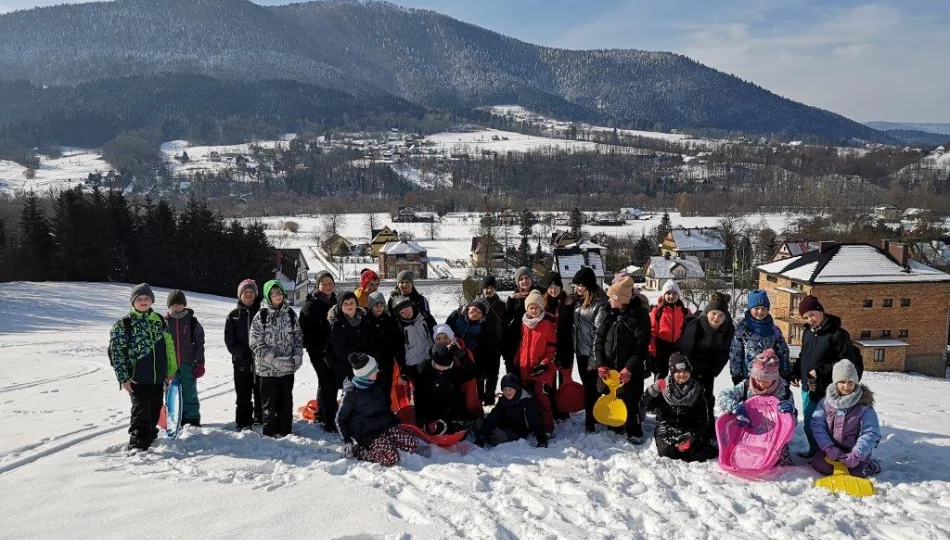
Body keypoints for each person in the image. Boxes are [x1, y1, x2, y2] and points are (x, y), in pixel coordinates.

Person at [109, 283, 177, 452]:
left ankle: (150, 436)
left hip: (158, 376)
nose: (143, 301)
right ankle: (138, 444)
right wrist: (123, 377)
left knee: (155, 408)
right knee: (141, 412)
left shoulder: (159, 320)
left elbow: (169, 346)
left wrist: (171, 370)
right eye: (139, 299)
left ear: (152, 301)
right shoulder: (124, 324)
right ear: (133, 302)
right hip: (137, 377)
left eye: (147, 298)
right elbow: (116, 353)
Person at [792, 295, 861, 458]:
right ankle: (815, 452)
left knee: (828, 424)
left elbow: (846, 361)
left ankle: (829, 454)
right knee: (810, 422)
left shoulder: (838, 334)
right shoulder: (808, 333)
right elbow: (803, 355)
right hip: (809, 385)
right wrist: (795, 372)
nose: (810, 319)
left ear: (820, 311)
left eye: (812, 314)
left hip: (828, 388)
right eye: (806, 317)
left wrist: (821, 370)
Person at [592, 276, 651, 443]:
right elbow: (599, 340)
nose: (609, 299)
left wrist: (629, 368)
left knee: (631, 400)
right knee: (611, 395)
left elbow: (641, 347)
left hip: (630, 369)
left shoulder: (639, 315)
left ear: (621, 299)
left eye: (612, 297)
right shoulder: (610, 313)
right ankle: (615, 424)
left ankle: (634, 431)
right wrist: (600, 363)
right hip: (610, 368)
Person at [337, 353, 419, 467]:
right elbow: (340, 420)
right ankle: (359, 451)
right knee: (391, 457)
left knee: (411, 443)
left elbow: (383, 409)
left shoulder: (375, 385)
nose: (378, 370)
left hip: (383, 427)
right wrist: (347, 440)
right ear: (366, 374)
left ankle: (385, 443)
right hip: (367, 434)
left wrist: (395, 422)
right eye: (375, 369)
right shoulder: (351, 394)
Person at [716, 349, 796, 465]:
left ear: (774, 378)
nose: (761, 385)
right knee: (741, 454)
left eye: (766, 381)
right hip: (747, 431)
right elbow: (723, 396)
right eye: (758, 380)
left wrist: (791, 411)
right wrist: (735, 407)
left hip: (773, 433)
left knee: (781, 464)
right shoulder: (745, 386)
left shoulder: (784, 392)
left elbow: (792, 422)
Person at [249, 280, 303, 437]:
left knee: (286, 400)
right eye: (274, 293)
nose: (278, 296)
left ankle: (286, 430)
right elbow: (255, 341)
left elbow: (298, 336)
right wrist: (272, 360)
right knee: (269, 402)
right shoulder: (261, 315)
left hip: (287, 367)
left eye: (280, 292)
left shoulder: (291, 314)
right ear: (268, 295)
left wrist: (298, 355)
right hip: (267, 370)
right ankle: (270, 432)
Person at [810, 360, 881, 478]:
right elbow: (817, 425)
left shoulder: (864, 405)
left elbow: (871, 432)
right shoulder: (826, 402)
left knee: (856, 472)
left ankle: (871, 465)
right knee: (819, 465)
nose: (846, 386)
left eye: (850, 382)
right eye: (842, 382)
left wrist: (858, 454)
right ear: (836, 382)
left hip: (855, 450)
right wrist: (828, 447)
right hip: (833, 449)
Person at [678, 295, 735, 442]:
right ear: (707, 312)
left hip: (709, 368)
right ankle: (685, 427)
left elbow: (725, 352)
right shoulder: (695, 325)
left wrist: (714, 370)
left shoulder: (728, 329)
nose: (716, 317)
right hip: (691, 367)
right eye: (714, 313)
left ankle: (708, 429)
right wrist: (686, 372)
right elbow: (685, 350)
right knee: (689, 397)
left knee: (707, 398)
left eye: (721, 315)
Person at [641, 354, 717, 462]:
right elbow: (646, 406)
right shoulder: (663, 387)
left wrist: (690, 437)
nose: (682, 374)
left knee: (698, 452)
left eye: (685, 371)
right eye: (678, 371)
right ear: (672, 372)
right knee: (667, 452)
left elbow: (702, 421)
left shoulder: (697, 391)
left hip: (687, 428)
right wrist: (651, 391)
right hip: (665, 426)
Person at [326, 291, 376, 432]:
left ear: (356, 304)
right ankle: (346, 424)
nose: (349, 306)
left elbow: (370, 341)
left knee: (365, 396)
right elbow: (339, 347)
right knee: (349, 397)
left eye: (351, 303)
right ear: (341, 306)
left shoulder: (364, 320)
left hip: (365, 365)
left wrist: (368, 357)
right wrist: (355, 358)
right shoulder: (337, 324)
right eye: (346, 303)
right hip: (346, 367)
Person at [405, 343, 478, 431]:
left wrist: (462, 356)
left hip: (453, 413)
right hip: (432, 414)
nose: (441, 370)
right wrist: (421, 420)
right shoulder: (425, 374)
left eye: (445, 368)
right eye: (439, 367)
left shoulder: (453, 373)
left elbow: (473, 372)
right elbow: (419, 399)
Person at [571, 267, 608, 433]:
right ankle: (592, 417)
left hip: (591, 355)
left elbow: (598, 334)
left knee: (592, 389)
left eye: (580, 285)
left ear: (588, 285)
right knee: (588, 387)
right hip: (580, 352)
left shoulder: (600, 305)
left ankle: (590, 422)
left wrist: (594, 359)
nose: (577, 288)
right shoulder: (579, 302)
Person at [516, 290, 558, 432]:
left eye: (536, 307)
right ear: (527, 308)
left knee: (542, 397)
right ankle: (532, 424)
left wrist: (544, 364)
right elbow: (521, 346)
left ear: (541, 308)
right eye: (531, 307)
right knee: (528, 398)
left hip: (542, 368)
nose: (534, 310)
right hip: (525, 367)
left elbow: (552, 349)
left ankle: (548, 426)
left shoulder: (547, 325)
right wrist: (517, 361)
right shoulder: (523, 324)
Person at [299, 271, 337, 425]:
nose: (327, 286)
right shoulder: (311, 305)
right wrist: (318, 350)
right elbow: (305, 333)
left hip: (332, 351)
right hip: (319, 352)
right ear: (318, 285)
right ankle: (329, 420)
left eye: (330, 283)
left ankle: (322, 414)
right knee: (328, 382)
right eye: (324, 283)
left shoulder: (335, 301)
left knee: (327, 382)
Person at [225, 279, 263, 430]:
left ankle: (261, 418)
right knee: (243, 395)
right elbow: (229, 339)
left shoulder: (263, 313)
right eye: (245, 292)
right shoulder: (233, 316)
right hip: (241, 363)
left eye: (251, 292)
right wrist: (242, 352)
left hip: (261, 362)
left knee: (261, 392)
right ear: (240, 295)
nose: (248, 295)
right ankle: (243, 421)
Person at [729, 289, 790, 384]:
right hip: (749, 378)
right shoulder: (742, 330)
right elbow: (735, 353)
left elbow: (783, 352)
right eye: (756, 308)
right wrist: (736, 374)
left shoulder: (774, 330)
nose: (760, 311)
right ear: (750, 308)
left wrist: (785, 372)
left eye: (764, 308)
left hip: (771, 379)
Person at [164, 289, 206, 427]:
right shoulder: (164, 323)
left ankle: (191, 419)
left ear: (184, 305)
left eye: (179, 304)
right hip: (170, 367)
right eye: (174, 305)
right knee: (171, 393)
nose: (177, 307)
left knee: (189, 393)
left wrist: (199, 362)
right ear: (169, 306)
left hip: (188, 364)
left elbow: (199, 343)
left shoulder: (192, 321)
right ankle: (173, 418)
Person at [447, 298, 500, 405]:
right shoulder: (456, 315)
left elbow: (483, 347)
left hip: (470, 356)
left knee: (471, 381)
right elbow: (446, 330)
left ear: (483, 316)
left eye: (480, 312)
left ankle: (476, 402)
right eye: (474, 309)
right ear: (468, 307)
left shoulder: (483, 326)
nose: (475, 313)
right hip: (452, 351)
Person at [474, 374, 549, 448]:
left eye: (510, 389)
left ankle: (488, 436)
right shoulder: (503, 400)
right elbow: (493, 417)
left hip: (518, 431)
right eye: (505, 389)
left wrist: (542, 440)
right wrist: (481, 435)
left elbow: (535, 421)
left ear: (516, 389)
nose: (507, 392)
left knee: (498, 436)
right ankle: (484, 435)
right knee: (479, 422)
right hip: (503, 426)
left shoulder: (526, 401)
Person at [540, 271, 575, 421]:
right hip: (548, 347)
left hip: (565, 345)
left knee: (564, 377)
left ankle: (564, 407)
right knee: (550, 379)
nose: (553, 290)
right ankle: (553, 407)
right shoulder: (543, 303)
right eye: (550, 287)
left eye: (555, 287)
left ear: (561, 287)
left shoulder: (568, 302)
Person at [364, 291, 405, 408]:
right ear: (371, 305)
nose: (379, 307)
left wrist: (402, 365)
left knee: (385, 392)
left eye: (381, 304)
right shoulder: (364, 321)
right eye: (376, 304)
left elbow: (398, 345)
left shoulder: (389, 321)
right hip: (369, 365)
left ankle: (385, 416)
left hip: (386, 363)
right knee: (370, 394)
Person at [649, 280, 691, 379]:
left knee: (677, 375)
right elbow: (652, 332)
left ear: (678, 295)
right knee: (660, 374)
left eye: (674, 293)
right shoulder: (657, 311)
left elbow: (691, 329)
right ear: (663, 295)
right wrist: (651, 351)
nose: (671, 296)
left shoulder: (684, 311)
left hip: (677, 347)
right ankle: (659, 393)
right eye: (668, 293)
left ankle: (674, 393)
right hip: (661, 347)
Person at [502, 266, 534, 374]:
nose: (524, 281)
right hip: (514, 346)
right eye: (521, 279)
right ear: (517, 282)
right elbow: (505, 321)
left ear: (531, 279)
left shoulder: (538, 295)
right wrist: (511, 301)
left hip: (532, 344)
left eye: (527, 278)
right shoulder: (513, 299)